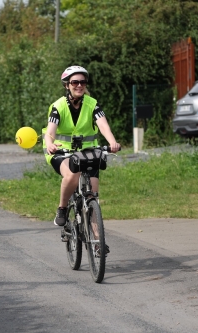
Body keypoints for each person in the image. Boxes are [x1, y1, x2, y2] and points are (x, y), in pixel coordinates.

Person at [43, 66, 120, 253]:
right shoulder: (58, 106)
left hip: (88, 152)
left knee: (92, 196)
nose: (79, 85)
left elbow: (103, 125)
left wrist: (112, 142)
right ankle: (62, 209)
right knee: (71, 176)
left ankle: (98, 243)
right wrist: (50, 144)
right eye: (74, 82)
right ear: (67, 85)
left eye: (82, 82)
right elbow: (50, 132)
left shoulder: (92, 104)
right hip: (61, 152)